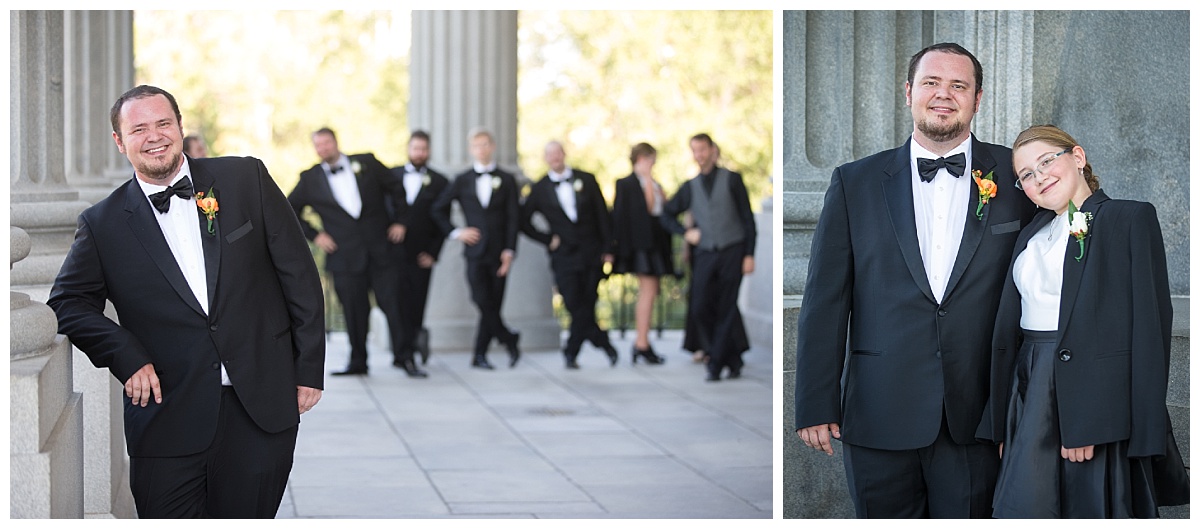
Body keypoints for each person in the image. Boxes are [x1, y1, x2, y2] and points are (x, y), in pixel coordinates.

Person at [47, 85, 325, 518]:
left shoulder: (245, 178)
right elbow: (67, 302)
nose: (154, 136)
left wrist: (308, 368)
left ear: (179, 127)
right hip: (165, 415)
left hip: (261, 408)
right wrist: (126, 355)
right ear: (120, 142)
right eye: (138, 129)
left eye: (163, 123)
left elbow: (300, 278)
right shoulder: (101, 224)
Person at [793, 43, 1036, 518]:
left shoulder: (1017, 177)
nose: (943, 95)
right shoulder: (854, 182)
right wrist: (814, 402)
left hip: (980, 417)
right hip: (878, 413)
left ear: (977, 99)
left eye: (958, 86)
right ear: (908, 92)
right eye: (931, 83)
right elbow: (825, 300)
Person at [977, 125, 1189, 518]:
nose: (1038, 177)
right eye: (1026, 175)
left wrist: (1088, 422)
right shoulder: (1030, 234)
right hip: (1029, 388)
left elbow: (1148, 331)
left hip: (1090, 402)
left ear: (1077, 157)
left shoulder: (1128, 218)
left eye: (1046, 162)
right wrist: (1006, 420)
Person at [288, 128, 427, 378]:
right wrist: (316, 235)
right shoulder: (310, 178)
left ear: (336, 142)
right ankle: (358, 362)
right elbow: (289, 210)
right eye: (318, 145)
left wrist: (401, 221)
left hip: (382, 250)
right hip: (344, 256)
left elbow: (397, 188)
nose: (323, 149)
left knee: (396, 304)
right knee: (353, 311)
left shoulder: (367, 162)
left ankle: (405, 358)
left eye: (326, 143)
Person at [662, 134, 756, 381]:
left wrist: (749, 254)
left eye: (702, 149)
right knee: (700, 305)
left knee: (726, 306)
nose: (699, 155)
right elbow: (666, 214)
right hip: (704, 252)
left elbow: (747, 219)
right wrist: (686, 232)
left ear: (713, 150)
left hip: (733, 249)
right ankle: (732, 358)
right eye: (695, 151)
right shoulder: (689, 186)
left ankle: (715, 363)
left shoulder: (733, 179)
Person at [521, 140, 619, 369]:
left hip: (591, 252)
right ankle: (602, 342)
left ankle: (571, 352)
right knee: (575, 303)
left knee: (588, 302)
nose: (555, 158)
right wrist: (547, 239)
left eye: (557, 153)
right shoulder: (540, 188)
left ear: (564, 154)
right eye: (550, 154)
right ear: (546, 159)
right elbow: (522, 221)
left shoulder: (586, 179)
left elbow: (602, 215)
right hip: (563, 255)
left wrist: (608, 249)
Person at [431, 127, 522, 369]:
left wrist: (509, 251)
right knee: (481, 300)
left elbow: (514, 218)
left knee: (492, 304)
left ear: (492, 146)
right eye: (476, 145)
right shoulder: (462, 180)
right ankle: (508, 337)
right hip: (474, 253)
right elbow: (438, 209)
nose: (481, 149)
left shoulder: (507, 179)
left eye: (485, 144)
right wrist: (457, 232)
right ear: (471, 150)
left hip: (500, 253)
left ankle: (479, 355)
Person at [388, 130, 449, 366]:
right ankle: (400, 352)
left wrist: (434, 253)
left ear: (429, 150)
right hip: (393, 253)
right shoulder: (391, 176)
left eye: (424, 149)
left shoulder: (440, 181)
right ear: (408, 149)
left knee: (417, 303)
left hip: (422, 254)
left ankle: (412, 348)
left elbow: (442, 221)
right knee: (395, 303)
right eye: (416, 148)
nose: (420, 153)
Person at [610, 142, 672, 365]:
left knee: (652, 290)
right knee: (647, 290)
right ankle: (642, 343)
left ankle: (643, 340)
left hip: (656, 243)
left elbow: (663, 208)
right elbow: (632, 213)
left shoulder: (654, 182)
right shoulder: (627, 184)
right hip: (640, 246)